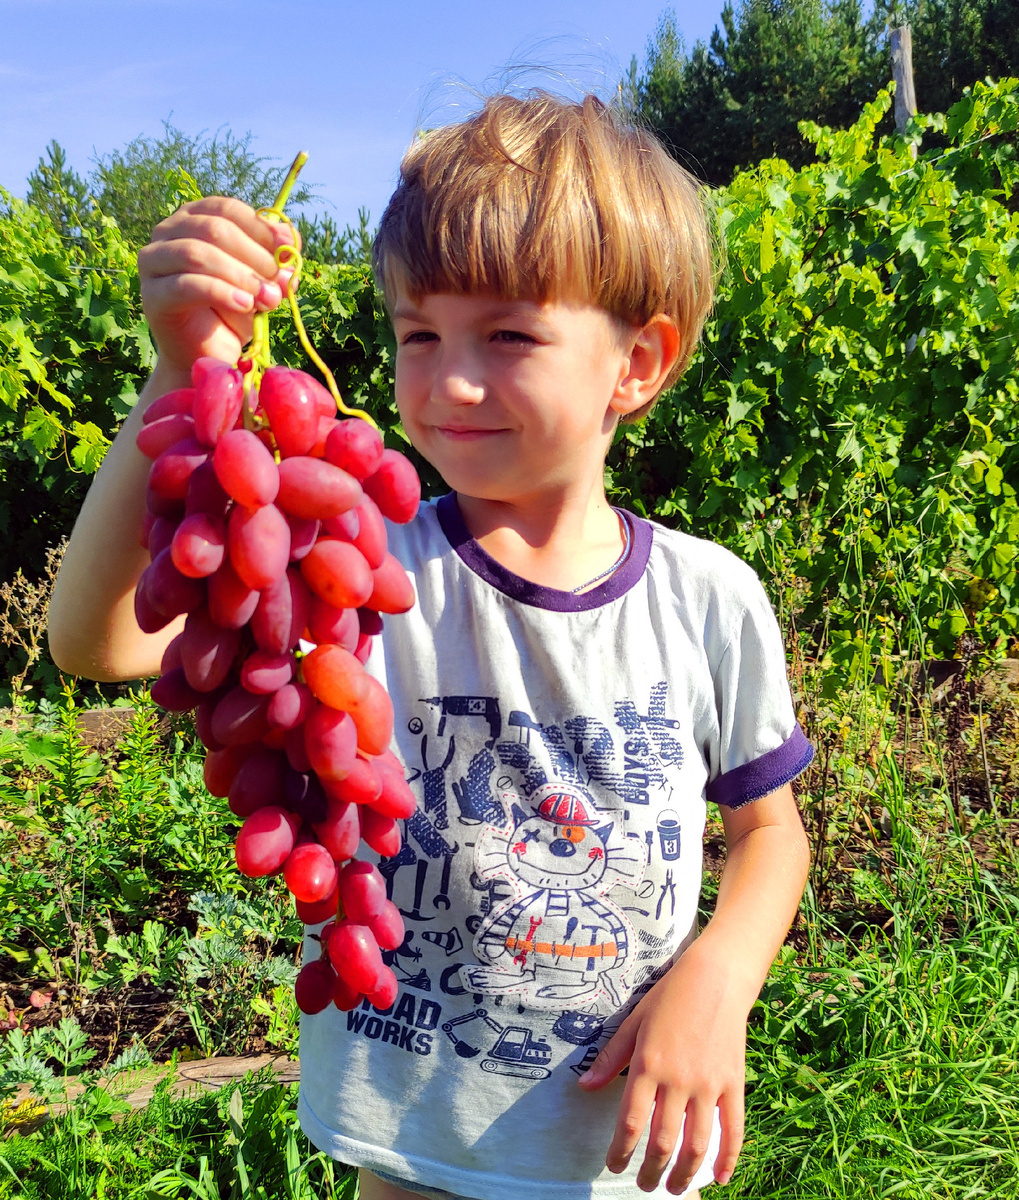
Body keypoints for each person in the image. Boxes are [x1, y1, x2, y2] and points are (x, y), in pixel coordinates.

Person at [48, 92, 813, 1200]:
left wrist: (718, 982)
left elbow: (769, 832)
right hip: (410, 1158)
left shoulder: (708, 599)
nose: (448, 379)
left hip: (621, 1163)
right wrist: (185, 377)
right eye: (418, 334)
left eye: (506, 334)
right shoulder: (359, 560)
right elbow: (96, 640)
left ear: (637, 364)